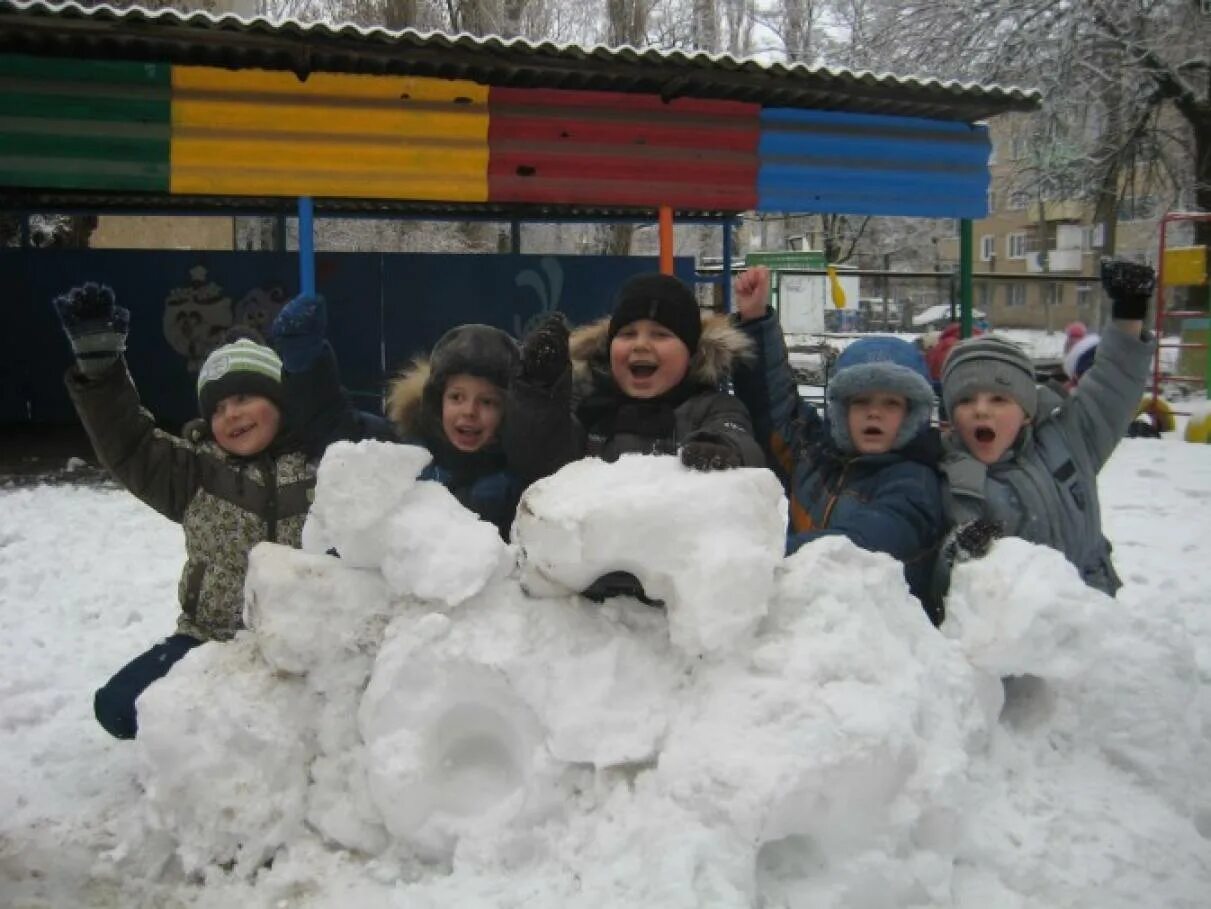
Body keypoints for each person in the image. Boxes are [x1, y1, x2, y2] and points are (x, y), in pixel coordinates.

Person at [55, 283, 314, 739]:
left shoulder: (319, 466)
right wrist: (101, 373)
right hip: (207, 641)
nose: (231, 415)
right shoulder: (194, 471)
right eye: (218, 408)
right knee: (118, 706)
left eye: (244, 398)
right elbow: (129, 443)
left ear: (280, 401)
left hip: (304, 647)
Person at [933, 259, 1156, 603]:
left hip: (1094, 607)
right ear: (951, 416)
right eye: (965, 401)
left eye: (998, 399)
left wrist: (1129, 310)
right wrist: (956, 553)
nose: (981, 409)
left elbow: (1115, 383)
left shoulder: (1068, 439)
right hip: (1016, 630)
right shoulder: (948, 473)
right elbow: (936, 572)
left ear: (1026, 412)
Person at [731, 266, 946, 619]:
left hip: (875, 640)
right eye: (861, 402)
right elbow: (774, 407)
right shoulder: (820, 456)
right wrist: (755, 320)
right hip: (807, 623)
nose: (873, 414)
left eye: (890, 404)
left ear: (912, 414)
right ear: (841, 410)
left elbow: (852, 549)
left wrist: (757, 561)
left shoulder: (914, 482)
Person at [270, 293, 525, 539]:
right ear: (437, 401)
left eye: (487, 401)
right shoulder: (402, 447)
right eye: (457, 397)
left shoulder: (520, 474)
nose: (469, 411)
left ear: (507, 410)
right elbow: (333, 424)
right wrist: (306, 364)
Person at [503, 272, 765, 483]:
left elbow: (740, 438)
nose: (640, 345)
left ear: (692, 353)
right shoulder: (584, 405)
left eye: (660, 335)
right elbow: (539, 458)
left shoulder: (713, 407)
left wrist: (721, 446)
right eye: (627, 334)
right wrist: (539, 391)